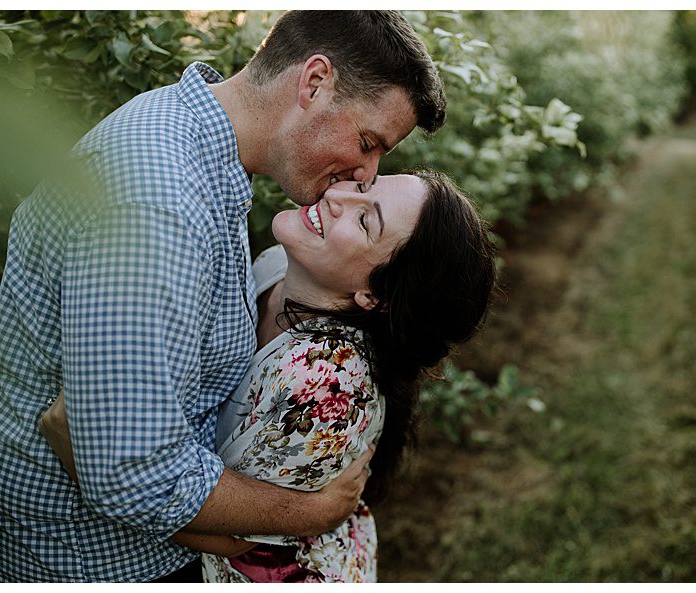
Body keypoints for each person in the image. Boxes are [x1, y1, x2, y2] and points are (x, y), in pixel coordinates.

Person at [0, 11, 445, 582]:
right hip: (86, 563)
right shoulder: (161, 202)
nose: (364, 173)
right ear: (315, 82)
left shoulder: (196, 153)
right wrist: (315, 512)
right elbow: (132, 474)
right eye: (368, 143)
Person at [42, 172, 497, 582]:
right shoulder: (277, 264)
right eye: (362, 187)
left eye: (364, 221)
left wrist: (84, 459)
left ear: (374, 295)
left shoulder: (324, 380)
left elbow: (220, 526)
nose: (337, 196)